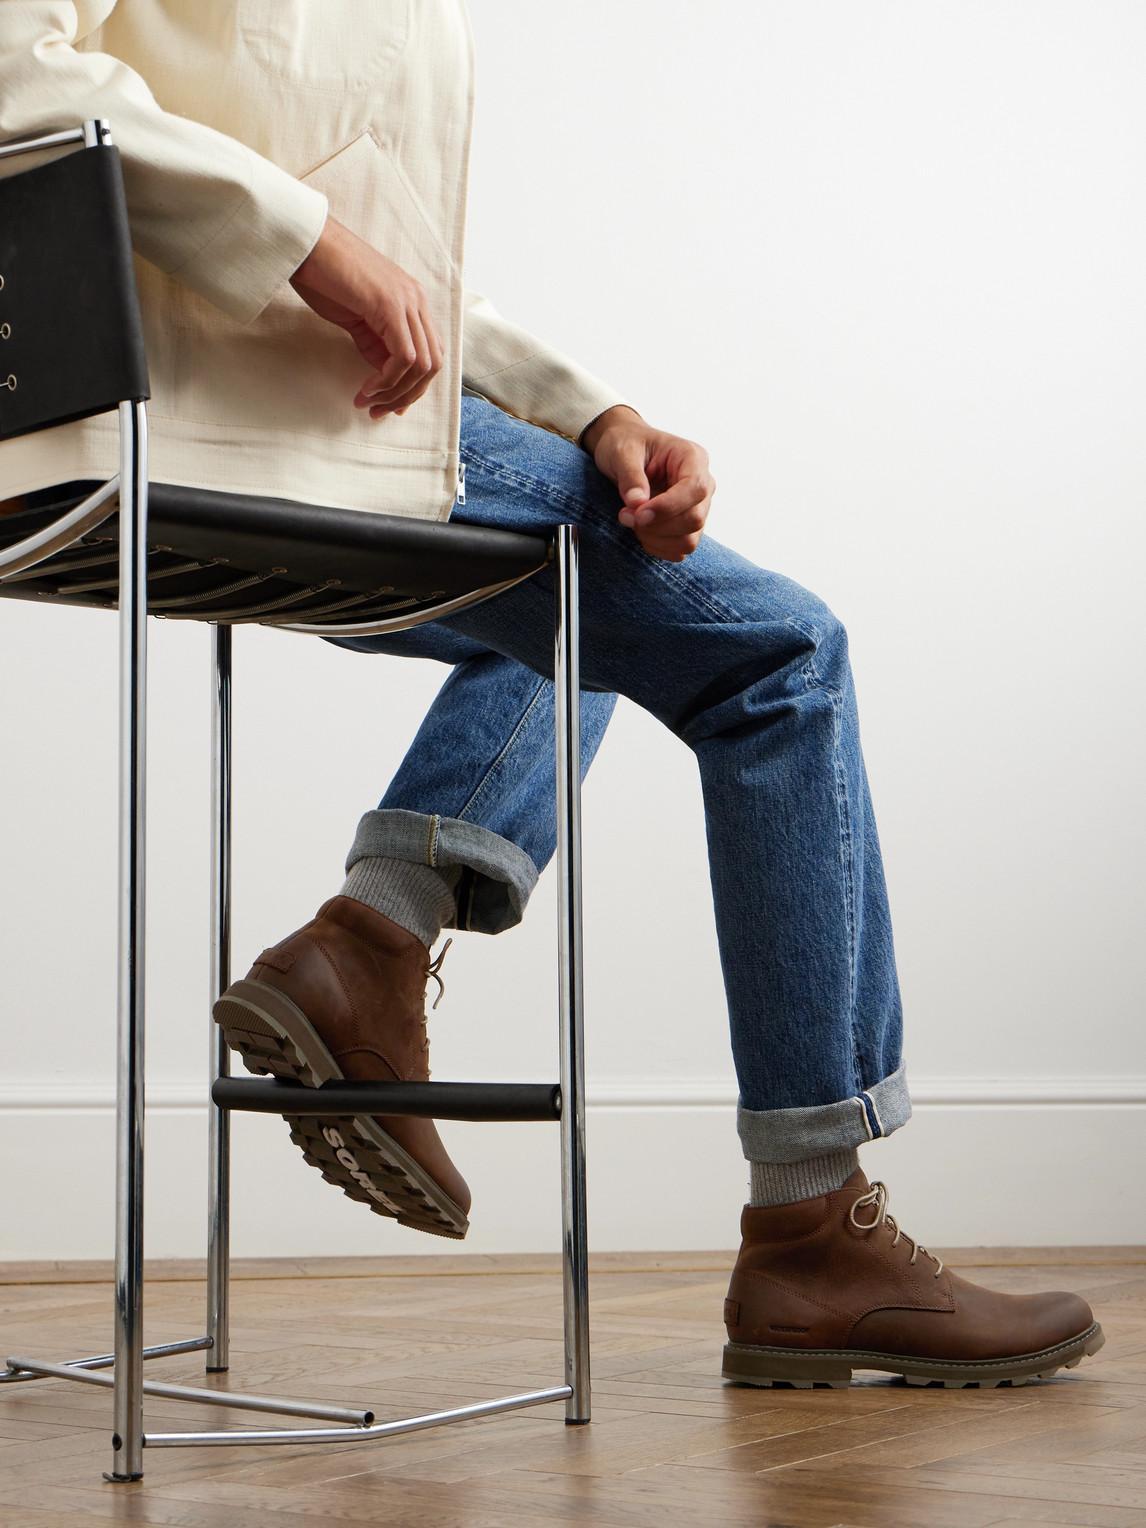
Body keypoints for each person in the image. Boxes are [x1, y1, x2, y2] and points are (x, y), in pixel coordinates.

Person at [0, 1, 1102, 1388]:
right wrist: (309, 242)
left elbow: (389, 286)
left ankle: (375, 937)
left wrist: (588, 413)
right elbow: (19, 76)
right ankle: (812, 1231)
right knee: (776, 658)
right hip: (182, 420)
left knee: (592, 608)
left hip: (247, 414)